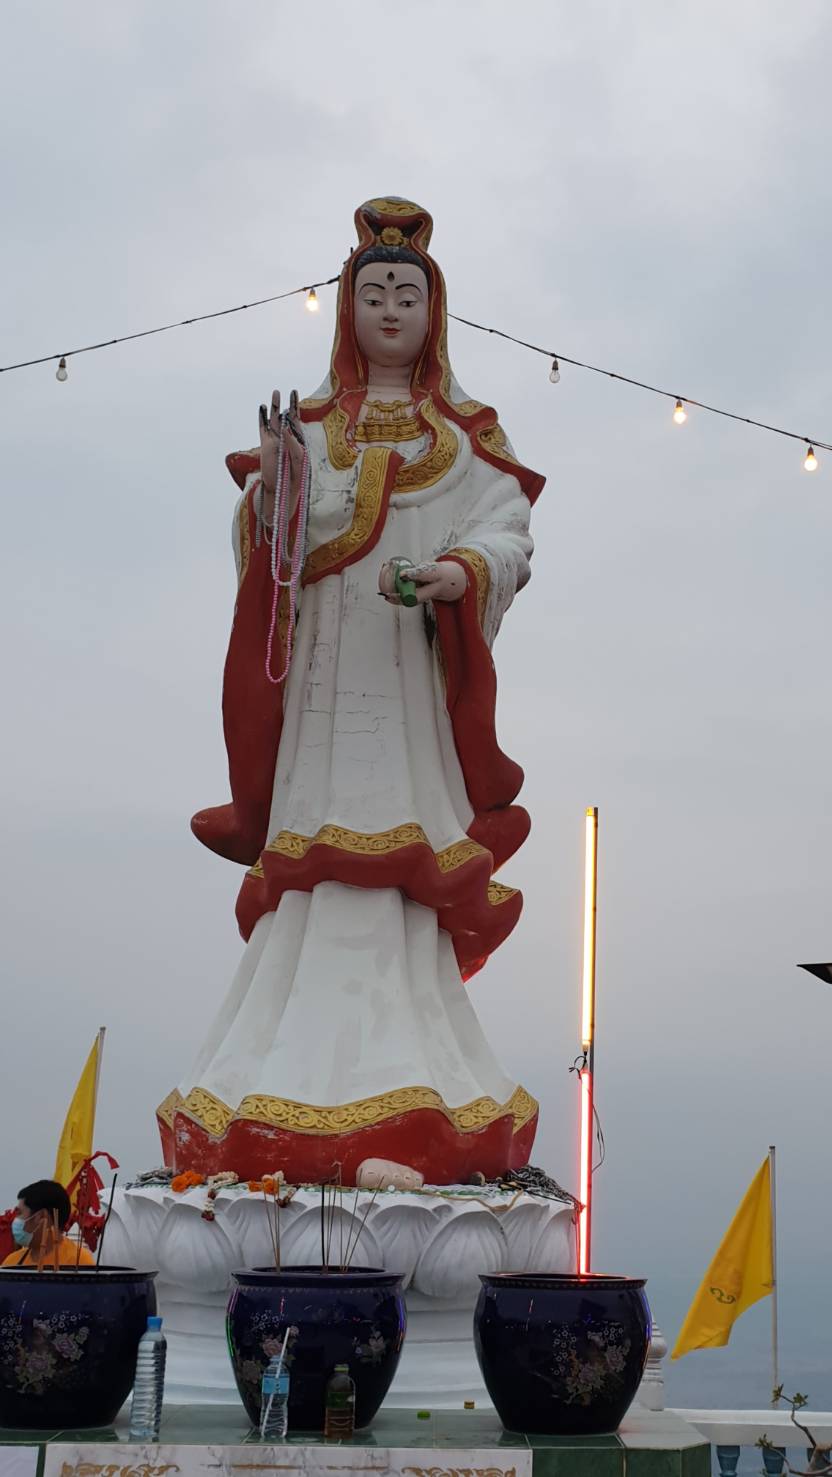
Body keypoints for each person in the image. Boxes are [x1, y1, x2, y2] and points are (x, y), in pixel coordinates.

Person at [162, 198, 545, 1186]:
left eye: (406, 294)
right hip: (329, 677)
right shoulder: (312, 429)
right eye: (372, 293)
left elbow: (508, 529)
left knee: (402, 847)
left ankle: (416, 1060)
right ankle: (279, 1055)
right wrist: (277, 492)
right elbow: (263, 539)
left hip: (409, 671)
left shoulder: (464, 436)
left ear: (433, 312)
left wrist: (463, 571)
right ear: (345, 308)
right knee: (318, 845)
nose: (389, 309)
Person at [1, 1180, 94, 1268]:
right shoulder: (12, 1262)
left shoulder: (79, 1261)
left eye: (19, 1213)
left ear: (41, 1216)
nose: (15, 1220)